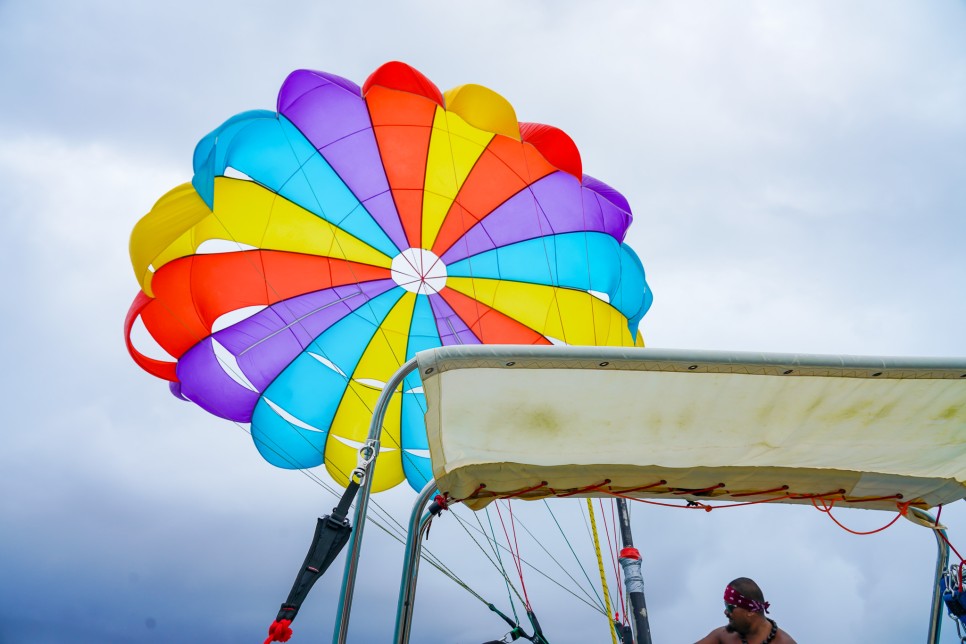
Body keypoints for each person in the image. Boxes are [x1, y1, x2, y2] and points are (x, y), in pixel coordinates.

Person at [694, 577, 796, 644]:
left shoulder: (784, 642)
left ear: (751, 610)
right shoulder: (723, 636)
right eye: (725, 605)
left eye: (730, 607)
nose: (725, 612)